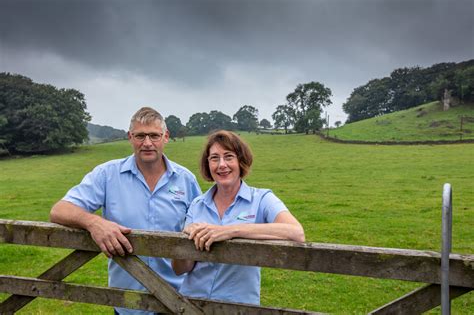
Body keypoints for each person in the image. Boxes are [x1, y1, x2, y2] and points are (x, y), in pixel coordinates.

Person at [50, 107, 201, 315]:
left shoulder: (185, 179)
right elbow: (59, 210)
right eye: (140, 136)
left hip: (177, 301)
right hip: (128, 303)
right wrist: (95, 223)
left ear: (166, 137)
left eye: (154, 136)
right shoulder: (107, 174)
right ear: (130, 137)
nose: (147, 143)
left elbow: (201, 224)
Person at [172, 130, 305, 305]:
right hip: (192, 305)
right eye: (214, 158)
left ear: (240, 161)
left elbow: (296, 233)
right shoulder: (197, 204)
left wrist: (229, 231)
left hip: (237, 307)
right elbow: (181, 269)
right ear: (208, 165)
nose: (221, 165)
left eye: (228, 156)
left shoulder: (262, 199)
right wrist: (186, 240)